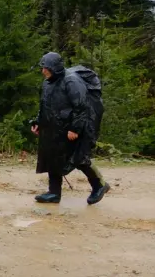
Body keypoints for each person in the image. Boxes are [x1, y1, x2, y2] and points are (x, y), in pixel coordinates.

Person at [31, 52, 110, 205]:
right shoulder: (48, 82)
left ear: (54, 67)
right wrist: (38, 123)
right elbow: (44, 105)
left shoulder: (71, 81)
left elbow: (81, 107)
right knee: (52, 157)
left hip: (70, 128)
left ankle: (99, 185)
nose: (43, 71)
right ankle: (54, 193)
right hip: (54, 128)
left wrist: (75, 129)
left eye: (45, 68)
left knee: (78, 158)